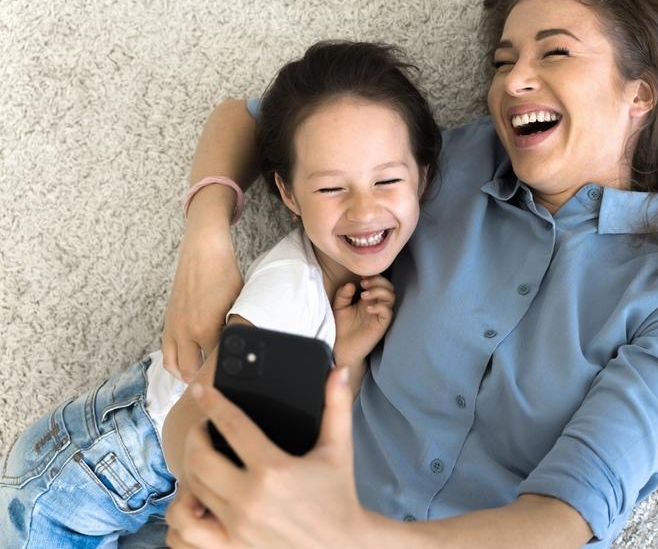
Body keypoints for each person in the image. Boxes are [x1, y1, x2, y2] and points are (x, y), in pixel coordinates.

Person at [165, 0, 658, 548]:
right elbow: (255, 118)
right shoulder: (448, 167)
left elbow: (564, 517)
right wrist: (206, 240)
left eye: (553, 52)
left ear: (639, 93)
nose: (512, 81)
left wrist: (341, 536)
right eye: (504, 62)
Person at [0, 41, 441, 546]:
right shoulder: (288, 289)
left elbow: (311, 412)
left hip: (163, 489)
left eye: (386, 180)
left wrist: (347, 357)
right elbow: (196, 414)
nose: (364, 212)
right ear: (289, 193)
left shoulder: (341, 297)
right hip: (92, 474)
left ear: (422, 178)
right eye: (330, 189)